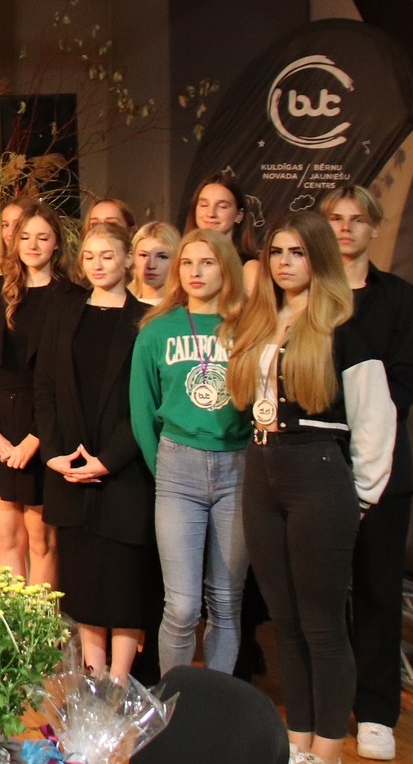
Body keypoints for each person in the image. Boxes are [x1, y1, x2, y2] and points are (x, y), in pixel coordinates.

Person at [226, 211, 396, 764]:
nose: (284, 263)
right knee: (286, 622)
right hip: (262, 468)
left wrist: (362, 495)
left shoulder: (343, 329)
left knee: (322, 625)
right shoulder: (260, 323)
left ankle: (327, 748)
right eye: (276, 252)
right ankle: (297, 741)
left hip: (317, 472)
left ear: (318, 258)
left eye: (297, 252)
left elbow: (375, 419)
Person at [324, 186, 413, 761]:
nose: (345, 228)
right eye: (335, 219)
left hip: (385, 467)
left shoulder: (404, 301)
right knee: (320, 595)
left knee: (377, 591)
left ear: (373, 227)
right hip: (314, 465)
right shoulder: (306, 298)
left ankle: (377, 711)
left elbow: (401, 389)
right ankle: (327, 704)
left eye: (356, 219)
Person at [33, 222, 155, 679]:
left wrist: (108, 460)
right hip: (69, 467)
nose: (98, 264)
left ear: (128, 260)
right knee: (82, 584)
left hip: (124, 471)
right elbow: (45, 386)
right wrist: (52, 453)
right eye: (89, 256)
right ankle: (94, 679)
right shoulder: (64, 313)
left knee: (123, 583)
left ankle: (120, 684)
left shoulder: (147, 319)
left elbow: (146, 403)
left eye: (108, 255)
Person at [128, 227, 251, 674]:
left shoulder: (250, 328)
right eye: (187, 263)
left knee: (226, 600)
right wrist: (163, 466)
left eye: (207, 263)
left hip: (237, 466)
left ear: (226, 268)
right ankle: (174, 703)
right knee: (181, 606)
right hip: (178, 467)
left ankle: (214, 701)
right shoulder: (157, 330)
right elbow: (142, 410)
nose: (195, 272)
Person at [0, 201, 75, 586]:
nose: (32, 245)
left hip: (45, 428)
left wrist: (37, 437)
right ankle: (13, 624)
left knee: (42, 541)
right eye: (25, 236)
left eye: (43, 237)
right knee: (7, 538)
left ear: (57, 243)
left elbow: (69, 379)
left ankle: (40, 625)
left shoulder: (72, 297)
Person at [185, 170, 261, 267]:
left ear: (239, 215)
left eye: (222, 206)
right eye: (204, 205)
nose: (210, 213)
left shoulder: (249, 267)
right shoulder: (179, 259)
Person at [130, 221, 179, 307]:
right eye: (143, 255)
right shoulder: (120, 303)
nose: (151, 265)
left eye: (162, 257)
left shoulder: (184, 309)